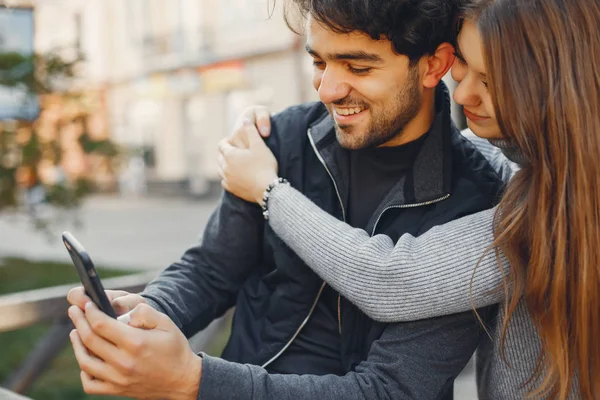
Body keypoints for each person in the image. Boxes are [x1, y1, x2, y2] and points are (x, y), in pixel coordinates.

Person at [66, 0, 506, 399]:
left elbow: (390, 390)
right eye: (319, 61)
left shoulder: (476, 200)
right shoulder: (279, 139)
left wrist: (197, 381)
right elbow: (212, 269)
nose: (328, 89)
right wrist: (150, 312)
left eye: (358, 67)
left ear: (434, 65)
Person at [218, 0, 600, 398]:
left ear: (553, 85)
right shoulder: (531, 166)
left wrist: (267, 189)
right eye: (464, 66)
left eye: (490, 81)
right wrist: (267, 133)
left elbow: (389, 279)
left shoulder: (558, 209)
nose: (464, 93)